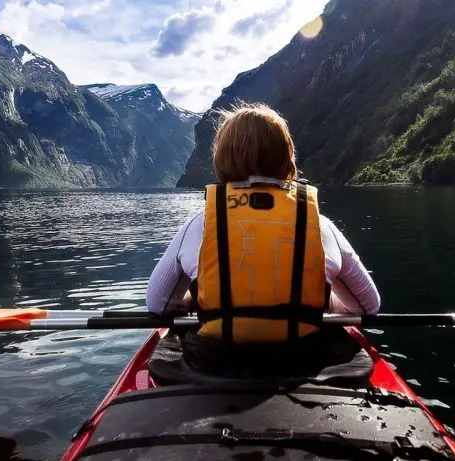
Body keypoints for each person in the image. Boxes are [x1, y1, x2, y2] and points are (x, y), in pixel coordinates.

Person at [144, 102, 380, 379]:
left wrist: (200, 298)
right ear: (287, 159)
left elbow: (158, 303)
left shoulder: (200, 224)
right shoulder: (319, 225)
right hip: (301, 361)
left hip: (217, 363)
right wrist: (320, 301)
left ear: (222, 160)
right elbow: (367, 306)